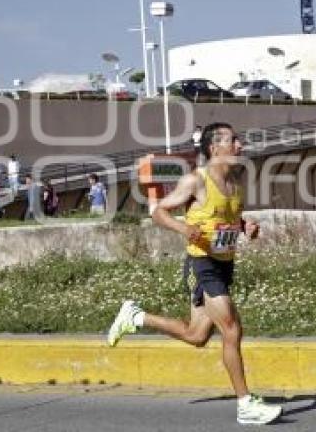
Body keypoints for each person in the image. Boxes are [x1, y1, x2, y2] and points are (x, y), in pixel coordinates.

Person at [106, 122, 283, 425]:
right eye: (234, 140)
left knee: (197, 335)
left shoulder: (236, 183)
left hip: (224, 263)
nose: (240, 145)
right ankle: (246, 404)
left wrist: (246, 227)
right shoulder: (195, 181)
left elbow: (228, 218)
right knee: (231, 329)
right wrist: (183, 228)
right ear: (215, 148)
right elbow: (159, 212)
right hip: (202, 264)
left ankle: (136, 317)